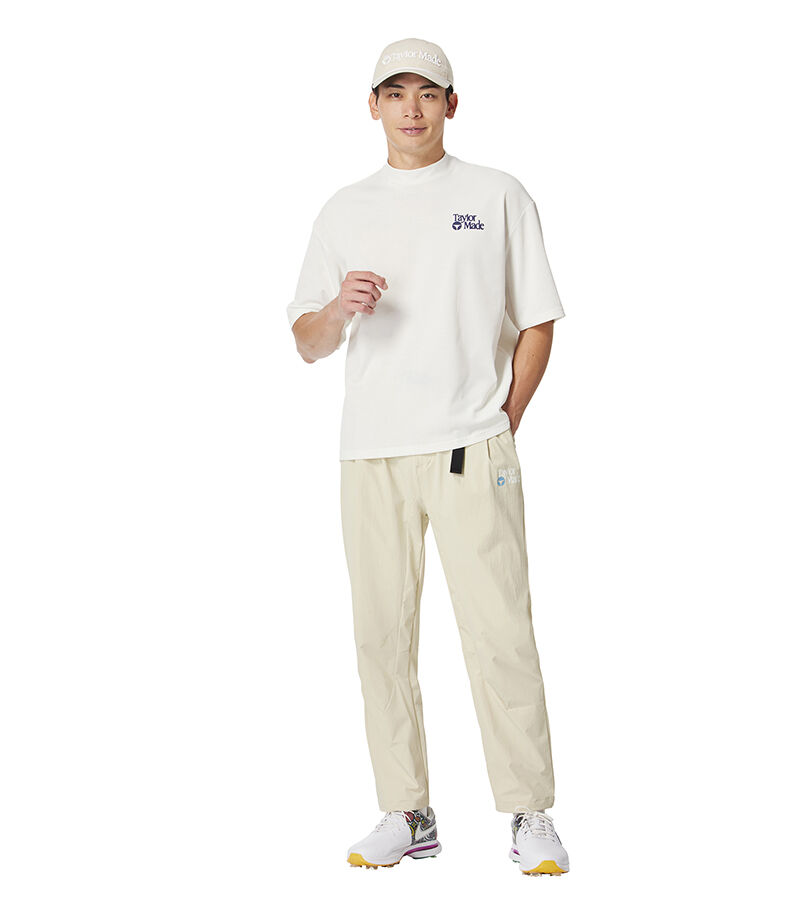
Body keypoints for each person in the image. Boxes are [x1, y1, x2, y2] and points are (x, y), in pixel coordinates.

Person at [286, 37, 569, 877]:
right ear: (371, 105)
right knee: (381, 637)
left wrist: (504, 420)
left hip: (470, 448)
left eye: (428, 93)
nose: (412, 108)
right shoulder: (343, 210)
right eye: (395, 92)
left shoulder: (497, 195)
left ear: (452, 104)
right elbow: (306, 342)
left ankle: (528, 811)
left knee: (500, 633)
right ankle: (406, 812)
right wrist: (338, 309)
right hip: (371, 453)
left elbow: (538, 319)